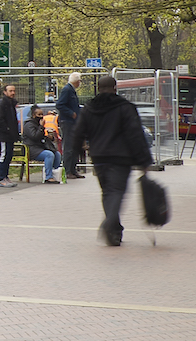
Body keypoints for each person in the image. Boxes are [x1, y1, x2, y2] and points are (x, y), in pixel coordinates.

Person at [63, 73, 154, 247]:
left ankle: (115, 231)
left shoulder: (89, 108)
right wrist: (144, 160)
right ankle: (109, 223)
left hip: (99, 157)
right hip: (121, 157)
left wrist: (74, 155)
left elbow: (78, 132)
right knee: (117, 191)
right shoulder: (125, 107)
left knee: (107, 192)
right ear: (115, 88)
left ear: (98, 88)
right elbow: (135, 135)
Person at [0, 83, 21, 188]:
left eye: (14, 91)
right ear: (5, 92)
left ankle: (5, 177)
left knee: (9, 155)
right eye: (10, 91)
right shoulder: (2, 104)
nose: (13, 93)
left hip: (10, 135)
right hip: (4, 135)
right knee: (4, 155)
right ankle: (1, 178)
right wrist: (7, 129)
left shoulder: (11, 104)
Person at [55, 75, 85, 179]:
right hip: (67, 122)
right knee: (68, 146)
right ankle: (67, 170)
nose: (80, 83)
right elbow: (59, 104)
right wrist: (71, 113)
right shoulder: (67, 90)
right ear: (77, 81)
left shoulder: (71, 90)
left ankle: (73, 169)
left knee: (75, 146)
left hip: (73, 122)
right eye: (79, 81)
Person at [22, 104, 61, 183]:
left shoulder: (38, 125)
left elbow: (41, 137)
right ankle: (48, 177)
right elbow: (35, 137)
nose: (41, 116)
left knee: (57, 154)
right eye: (39, 114)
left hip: (40, 147)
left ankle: (54, 174)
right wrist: (41, 127)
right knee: (49, 154)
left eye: (42, 114)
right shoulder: (29, 125)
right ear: (33, 115)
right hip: (31, 149)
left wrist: (50, 138)